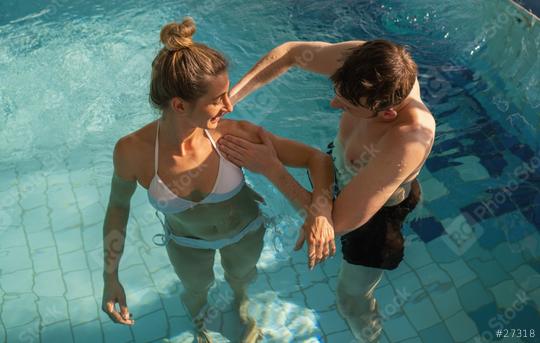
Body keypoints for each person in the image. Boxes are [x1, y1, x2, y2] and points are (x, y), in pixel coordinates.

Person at [100, 19, 335, 343]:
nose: (229, 104)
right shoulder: (133, 152)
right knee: (196, 291)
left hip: (245, 233)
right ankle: (200, 327)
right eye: (218, 98)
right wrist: (110, 277)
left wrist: (320, 211)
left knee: (240, 280)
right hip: (187, 243)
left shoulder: (232, 135)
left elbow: (317, 159)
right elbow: (117, 207)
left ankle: (240, 308)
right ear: (180, 105)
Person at [219, 39, 436, 342]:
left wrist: (271, 169)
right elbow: (291, 54)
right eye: (337, 92)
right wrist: (229, 100)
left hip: (375, 218)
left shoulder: (408, 139)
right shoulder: (369, 65)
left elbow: (335, 225)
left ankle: (369, 336)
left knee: (350, 299)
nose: (334, 105)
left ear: (387, 114)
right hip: (342, 167)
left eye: (346, 105)